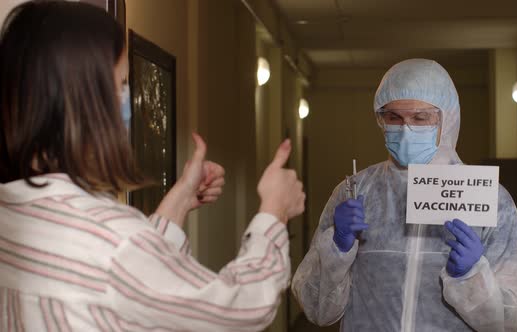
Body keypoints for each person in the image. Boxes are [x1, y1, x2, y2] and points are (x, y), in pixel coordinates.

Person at [0, 1, 305, 331]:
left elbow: (128, 278)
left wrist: (181, 199)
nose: (129, 101)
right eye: (120, 85)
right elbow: (241, 307)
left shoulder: (12, 211)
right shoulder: (113, 243)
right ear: (85, 101)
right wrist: (274, 211)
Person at [292, 58, 517, 331]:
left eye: (420, 118)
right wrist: (337, 247)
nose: (405, 129)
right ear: (380, 119)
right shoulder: (356, 193)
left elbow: (510, 320)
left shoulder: (491, 199)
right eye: (394, 117)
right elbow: (317, 310)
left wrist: (472, 277)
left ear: (447, 118)